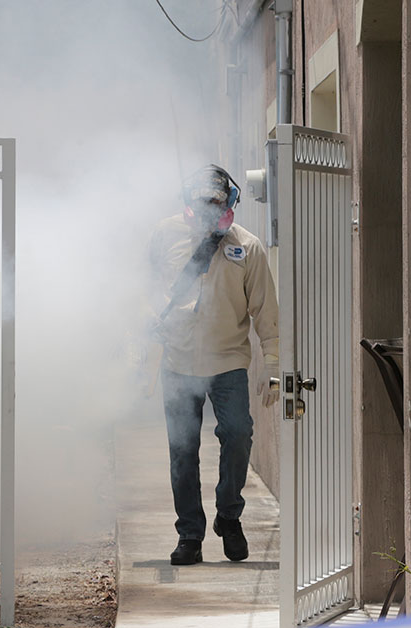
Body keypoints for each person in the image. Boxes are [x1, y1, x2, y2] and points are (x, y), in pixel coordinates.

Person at [147, 164, 279, 566]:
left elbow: (266, 311)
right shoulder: (166, 235)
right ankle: (190, 535)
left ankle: (229, 515)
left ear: (230, 201)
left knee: (238, 434)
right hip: (179, 361)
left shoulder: (248, 247)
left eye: (217, 202)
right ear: (189, 204)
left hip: (228, 361)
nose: (210, 208)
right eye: (203, 202)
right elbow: (148, 290)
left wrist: (272, 364)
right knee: (182, 451)